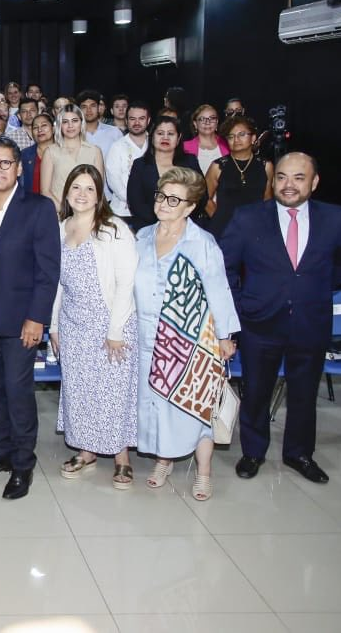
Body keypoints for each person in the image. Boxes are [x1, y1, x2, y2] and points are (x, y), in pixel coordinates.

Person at [222, 152, 341, 484]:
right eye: (281, 177)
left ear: (314, 182)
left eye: (298, 178)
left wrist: (316, 288)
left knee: (304, 393)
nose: (288, 185)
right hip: (259, 322)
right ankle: (253, 452)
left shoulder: (335, 219)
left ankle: (299, 453)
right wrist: (240, 308)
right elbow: (226, 268)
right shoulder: (247, 218)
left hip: (311, 321)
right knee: (256, 391)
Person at [134, 167, 238, 501]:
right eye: (161, 196)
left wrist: (224, 336)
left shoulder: (202, 243)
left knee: (195, 406)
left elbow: (219, 290)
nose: (163, 204)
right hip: (147, 336)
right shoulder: (142, 237)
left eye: (173, 200)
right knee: (158, 402)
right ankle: (164, 460)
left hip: (191, 340)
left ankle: (204, 472)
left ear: (190, 207)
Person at [0, 138, 59, 499]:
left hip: (21, 321)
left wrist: (37, 318)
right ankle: (0, 453)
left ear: (19, 168)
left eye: (5, 163)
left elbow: (48, 271)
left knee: (18, 392)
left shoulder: (38, 208)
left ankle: (22, 464)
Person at [49, 165, 138, 489]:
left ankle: (121, 457)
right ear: (67, 193)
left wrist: (115, 332)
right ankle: (86, 452)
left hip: (111, 323)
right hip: (73, 324)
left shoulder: (114, 229)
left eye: (90, 188)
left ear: (100, 195)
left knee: (114, 392)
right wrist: (54, 326)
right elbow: (56, 284)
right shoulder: (61, 228)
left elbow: (126, 282)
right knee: (80, 391)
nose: (82, 194)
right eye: (76, 187)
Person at [126, 116, 204, 231]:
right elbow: (135, 203)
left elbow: (201, 197)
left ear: (178, 138)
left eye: (171, 134)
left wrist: (178, 221)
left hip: (184, 226)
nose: (165, 137)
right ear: (152, 137)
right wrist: (161, 221)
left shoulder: (190, 162)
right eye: (160, 133)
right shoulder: (140, 165)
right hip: (148, 227)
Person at [204, 115, 273, 237]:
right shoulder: (218, 166)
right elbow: (204, 198)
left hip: (256, 230)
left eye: (241, 134)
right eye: (231, 136)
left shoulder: (265, 165)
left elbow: (267, 199)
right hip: (224, 230)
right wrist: (220, 219)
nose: (236, 139)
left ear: (253, 138)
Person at [41, 105, 104, 212]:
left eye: (75, 121)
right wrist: (65, 212)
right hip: (59, 213)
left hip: (88, 213)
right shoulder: (50, 152)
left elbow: (99, 189)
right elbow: (45, 191)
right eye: (65, 122)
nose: (70, 125)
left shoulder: (95, 151)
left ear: (81, 123)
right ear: (59, 125)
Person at [104, 101, 151, 225]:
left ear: (148, 120)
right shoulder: (117, 147)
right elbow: (114, 181)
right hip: (123, 212)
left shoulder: (155, 145)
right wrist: (136, 202)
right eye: (132, 119)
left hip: (152, 210)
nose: (137, 123)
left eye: (141, 119)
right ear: (126, 121)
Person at [184, 104, 230, 174]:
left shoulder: (228, 144)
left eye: (212, 118)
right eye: (202, 119)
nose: (207, 122)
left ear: (217, 122)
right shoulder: (184, 148)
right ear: (195, 124)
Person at [19, 113, 53, 195]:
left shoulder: (63, 152)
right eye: (35, 127)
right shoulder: (24, 155)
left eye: (44, 125)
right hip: (31, 201)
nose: (39, 130)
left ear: (53, 129)